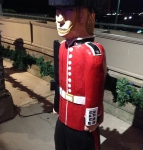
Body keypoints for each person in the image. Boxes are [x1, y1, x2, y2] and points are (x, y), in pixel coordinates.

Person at [49, 0, 107, 150]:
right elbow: (59, 81)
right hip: (62, 119)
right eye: (58, 11)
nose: (59, 18)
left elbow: (95, 90)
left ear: (82, 14)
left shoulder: (93, 52)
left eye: (67, 10)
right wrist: (57, 104)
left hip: (82, 124)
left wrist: (92, 118)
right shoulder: (62, 47)